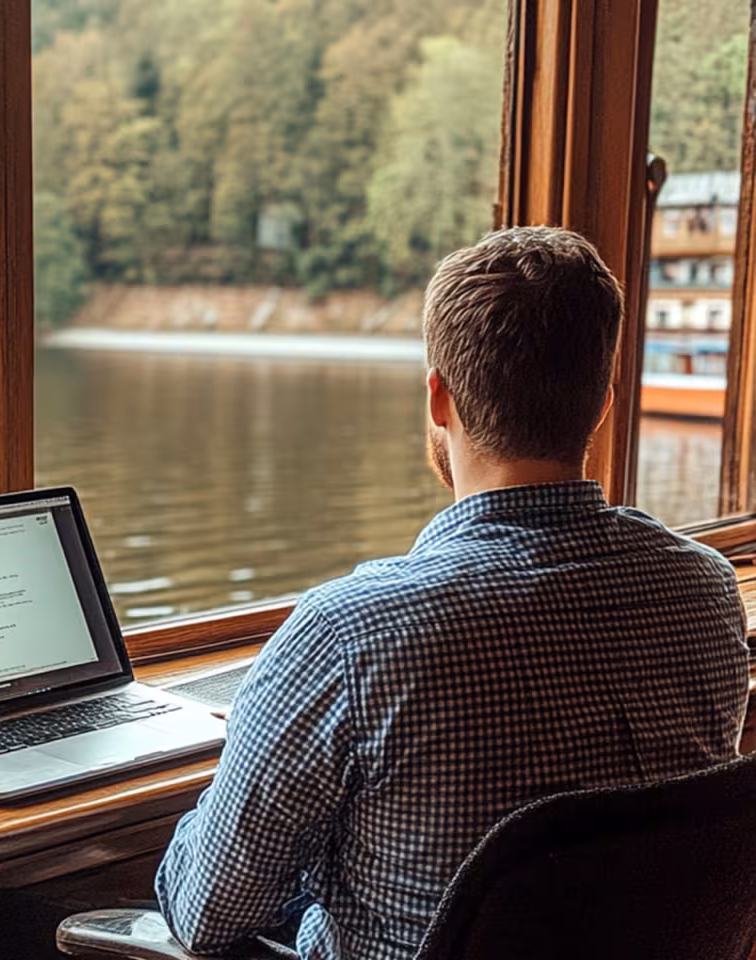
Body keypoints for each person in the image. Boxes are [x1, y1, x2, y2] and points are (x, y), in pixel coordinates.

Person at [155, 226, 751, 960]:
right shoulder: (705, 590)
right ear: (602, 404)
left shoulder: (351, 634)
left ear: (439, 399)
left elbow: (205, 910)